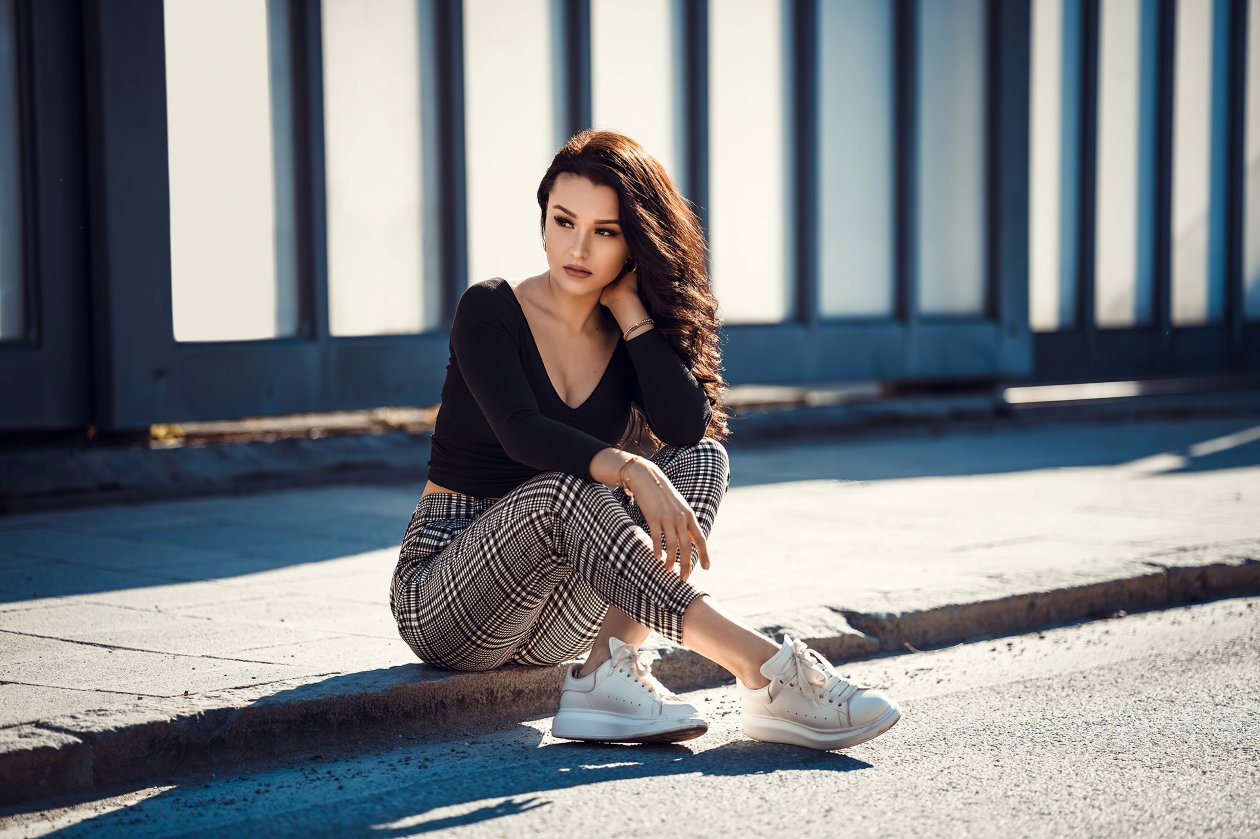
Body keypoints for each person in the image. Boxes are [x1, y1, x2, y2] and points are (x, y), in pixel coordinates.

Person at [390, 129, 900, 750]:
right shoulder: (489, 310)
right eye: (564, 221)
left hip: (559, 617)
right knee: (562, 491)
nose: (578, 247)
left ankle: (607, 672)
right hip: (448, 597)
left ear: (633, 243)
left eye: (605, 232)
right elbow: (521, 432)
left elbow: (687, 429)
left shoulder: (622, 332)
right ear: (543, 221)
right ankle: (763, 670)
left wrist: (632, 314)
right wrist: (632, 469)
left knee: (701, 458)